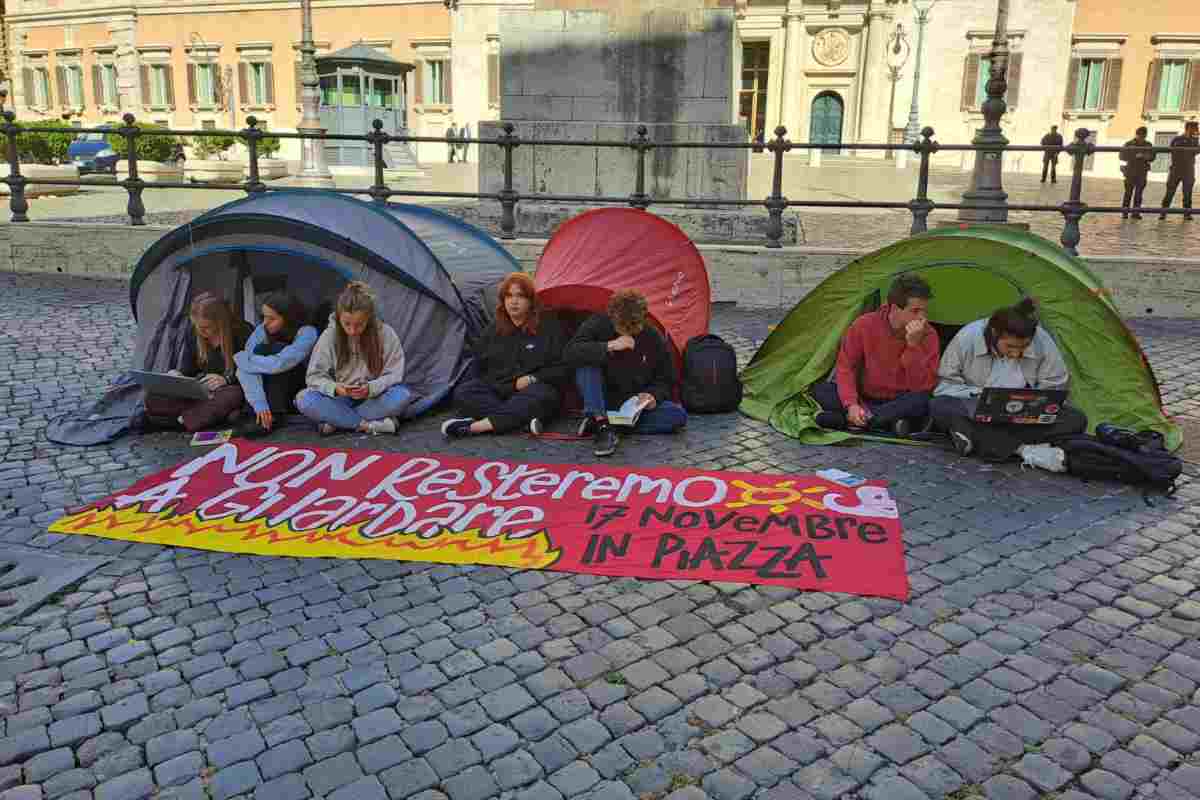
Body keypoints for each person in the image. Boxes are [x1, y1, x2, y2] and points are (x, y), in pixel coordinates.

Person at [931, 297, 1087, 461]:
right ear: (994, 333)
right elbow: (944, 387)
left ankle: (979, 439)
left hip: (1023, 417)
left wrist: (1033, 401)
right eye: (1010, 346)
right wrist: (982, 395)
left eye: (1024, 347)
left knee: (1076, 419)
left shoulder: (1042, 340)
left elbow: (1055, 385)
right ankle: (1022, 449)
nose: (1016, 354)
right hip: (977, 412)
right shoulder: (967, 338)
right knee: (939, 405)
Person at [442, 273, 568, 439]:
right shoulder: (494, 328)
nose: (513, 301)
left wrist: (533, 378)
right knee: (464, 392)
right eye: (508, 296)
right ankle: (523, 420)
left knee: (542, 397)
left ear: (531, 301)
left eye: (520, 296)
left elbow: (563, 368)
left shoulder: (549, 326)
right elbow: (479, 362)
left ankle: (473, 427)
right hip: (500, 389)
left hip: (535, 389)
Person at [564, 289, 687, 457]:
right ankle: (601, 420)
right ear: (612, 317)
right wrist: (608, 346)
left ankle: (605, 426)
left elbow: (666, 379)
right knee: (586, 366)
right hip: (601, 397)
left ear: (643, 319)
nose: (628, 331)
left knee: (677, 415)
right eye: (622, 326)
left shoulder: (653, 337)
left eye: (633, 327)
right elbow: (570, 352)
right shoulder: (598, 323)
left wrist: (653, 395)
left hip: (632, 404)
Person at [812, 274, 939, 437]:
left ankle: (850, 421)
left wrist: (913, 346)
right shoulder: (864, 325)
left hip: (901, 400)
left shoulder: (928, 334)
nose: (922, 317)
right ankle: (881, 422)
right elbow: (846, 367)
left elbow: (922, 385)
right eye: (915, 311)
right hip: (865, 396)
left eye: (924, 310)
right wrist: (851, 404)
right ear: (894, 308)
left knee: (923, 401)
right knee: (822, 390)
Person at [296, 282, 410, 436]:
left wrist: (371, 388)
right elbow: (314, 377)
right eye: (347, 324)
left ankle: (338, 421)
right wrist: (336, 388)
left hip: (374, 398)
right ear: (339, 317)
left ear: (368, 319)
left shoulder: (385, 333)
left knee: (402, 395)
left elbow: (395, 374)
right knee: (304, 399)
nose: (352, 331)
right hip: (342, 398)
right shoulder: (330, 335)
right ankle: (369, 425)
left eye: (359, 325)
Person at [144, 292, 253, 433]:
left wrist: (226, 379)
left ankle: (181, 421)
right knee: (152, 398)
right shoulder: (194, 332)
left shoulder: (242, 332)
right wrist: (177, 375)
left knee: (233, 395)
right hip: (203, 392)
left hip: (231, 389)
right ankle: (203, 417)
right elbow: (189, 369)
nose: (201, 331)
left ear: (219, 322)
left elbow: (253, 370)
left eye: (206, 327)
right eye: (197, 326)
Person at [233, 291, 319, 438]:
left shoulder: (307, 332)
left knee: (273, 350)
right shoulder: (262, 330)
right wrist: (259, 404)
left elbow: (280, 363)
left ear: (287, 318)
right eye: (264, 316)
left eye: (272, 318)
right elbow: (246, 369)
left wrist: (243, 359)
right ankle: (259, 413)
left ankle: (276, 413)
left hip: (296, 385)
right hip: (268, 389)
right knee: (259, 353)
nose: (265, 322)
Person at [1160, 120, 1198, 221]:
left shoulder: (1195, 140)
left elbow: (1196, 152)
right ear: (1189, 128)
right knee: (1170, 192)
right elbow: (1173, 150)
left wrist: (1194, 139)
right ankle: (1163, 212)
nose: (1197, 131)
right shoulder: (1177, 139)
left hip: (1189, 170)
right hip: (1176, 169)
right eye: (1195, 128)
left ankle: (1187, 214)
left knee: (1188, 193)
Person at [1120, 127, 1154, 219]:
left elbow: (1152, 157)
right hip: (1130, 171)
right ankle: (1125, 212)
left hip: (1142, 172)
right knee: (1128, 193)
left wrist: (1145, 156)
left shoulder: (1148, 144)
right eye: (1141, 135)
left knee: (1139, 194)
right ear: (1137, 134)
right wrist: (1134, 156)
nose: (1142, 137)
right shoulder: (1129, 144)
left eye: (1143, 136)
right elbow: (1122, 156)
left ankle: (1135, 213)